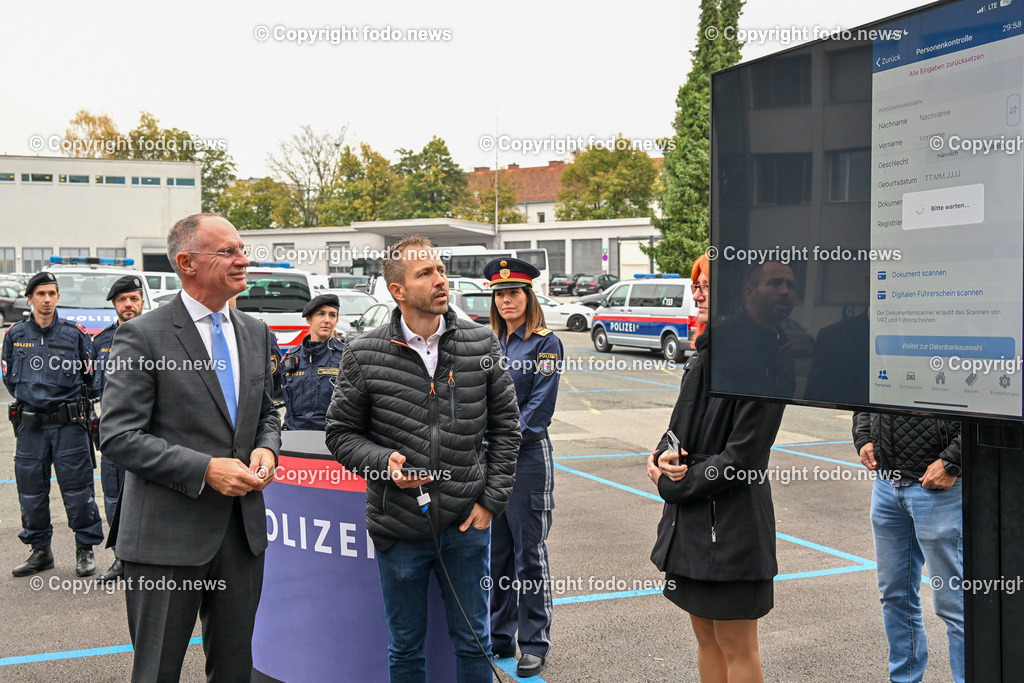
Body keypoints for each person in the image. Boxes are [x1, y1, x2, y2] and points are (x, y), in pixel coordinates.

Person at [325, 235, 521, 683]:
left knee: (475, 645)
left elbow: (508, 429)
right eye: (426, 273)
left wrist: (491, 501)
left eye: (440, 269)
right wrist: (383, 462)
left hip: (466, 525)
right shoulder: (363, 352)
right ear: (398, 290)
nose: (440, 280)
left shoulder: (482, 343)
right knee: (406, 649)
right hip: (398, 527)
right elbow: (340, 433)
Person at [99, 213, 282, 682]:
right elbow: (118, 435)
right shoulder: (143, 334)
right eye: (229, 252)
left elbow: (265, 413)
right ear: (186, 262)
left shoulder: (255, 332)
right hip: (166, 539)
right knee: (157, 670)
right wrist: (205, 469)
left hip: (241, 537)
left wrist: (267, 449)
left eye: (243, 249)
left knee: (236, 669)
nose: (244, 260)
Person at [647, 254, 786, 683]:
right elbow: (678, 428)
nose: (698, 290)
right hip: (694, 523)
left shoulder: (766, 357)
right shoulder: (706, 351)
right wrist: (660, 457)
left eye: (708, 283)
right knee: (706, 638)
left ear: (740, 293)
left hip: (733, 530)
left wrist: (674, 482)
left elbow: (742, 459)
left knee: (738, 647)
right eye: (696, 282)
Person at [482, 257, 563, 678]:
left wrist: (501, 441)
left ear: (528, 296)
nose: (505, 300)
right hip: (490, 457)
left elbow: (539, 408)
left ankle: (534, 642)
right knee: (495, 554)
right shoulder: (489, 342)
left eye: (513, 292)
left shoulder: (545, 343)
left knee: (528, 555)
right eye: (499, 293)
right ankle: (498, 635)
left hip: (527, 459)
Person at [3, 271, 103, 578]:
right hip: (30, 427)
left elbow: (90, 377)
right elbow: (9, 377)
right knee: (30, 491)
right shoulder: (15, 335)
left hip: (69, 426)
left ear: (58, 297)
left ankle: (84, 549)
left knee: (78, 490)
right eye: (40, 294)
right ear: (30, 298)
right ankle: (40, 552)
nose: (46, 299)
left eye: (51, 293)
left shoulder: (75, 335)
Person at [853, 412, 964, 683]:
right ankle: (903, 679)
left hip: (940, 489)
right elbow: (864, 396)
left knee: (954, 602)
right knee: (895, 595)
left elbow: (987, 405)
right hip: (886, 485)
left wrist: (953, 460)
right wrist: (864, 436)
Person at [91, 274, 145, 583]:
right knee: (113, 497)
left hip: (148, 434)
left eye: (133, 299)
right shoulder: (100, 343)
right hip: (112, 434)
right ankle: (122, 559)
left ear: (141, 302)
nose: (128, 304)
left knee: (149, 498)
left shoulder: (159, 337)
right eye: (122, 299)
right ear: (114, 303)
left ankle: (147, 559)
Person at [713, 260, 797, 399]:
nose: (785, 291)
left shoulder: (783, 346)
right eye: (775, 283)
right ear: (749, 294)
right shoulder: (718, 342)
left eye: (791, 285)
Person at [280, 293, 345, 430]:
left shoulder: (346, 357)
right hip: (294, 435)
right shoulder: (291, 357)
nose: (327, 320)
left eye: (332, 315)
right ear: (309, 319)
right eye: (321, 314)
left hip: (331, 438)